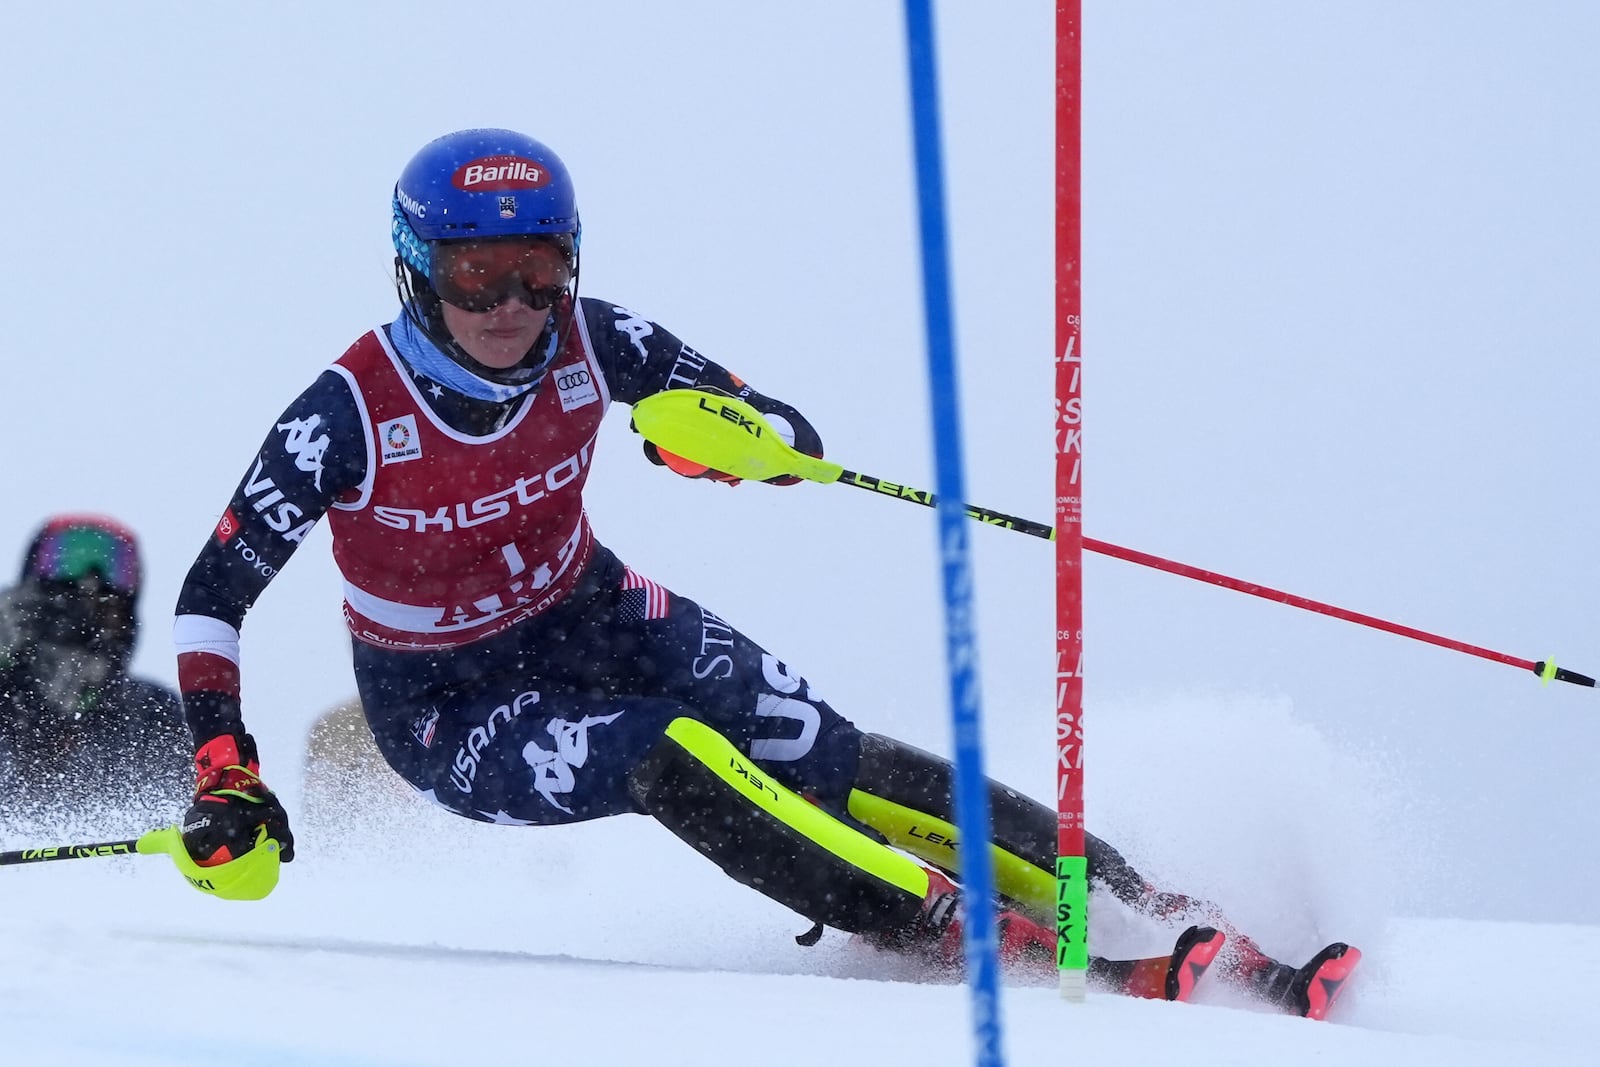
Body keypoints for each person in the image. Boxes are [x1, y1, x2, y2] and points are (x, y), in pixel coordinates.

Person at [171, 128, 1357, 1017]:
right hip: (446, 704)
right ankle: (968, 928)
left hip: (590, 607)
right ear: (417, 269)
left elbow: (779, 429)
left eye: (537, 271)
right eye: (477, 276)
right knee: (665, 749)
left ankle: (1146, 897)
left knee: (822, 749)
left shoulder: (600, 340)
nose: (512, 306)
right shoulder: (344, 415)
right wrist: (225, 769)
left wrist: (742, 446)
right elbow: (209, 598)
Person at [0, 514, 189, 822]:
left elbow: (184, 811)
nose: (91, 577)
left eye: (115, 564)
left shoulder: (150, 715)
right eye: (67, 557)